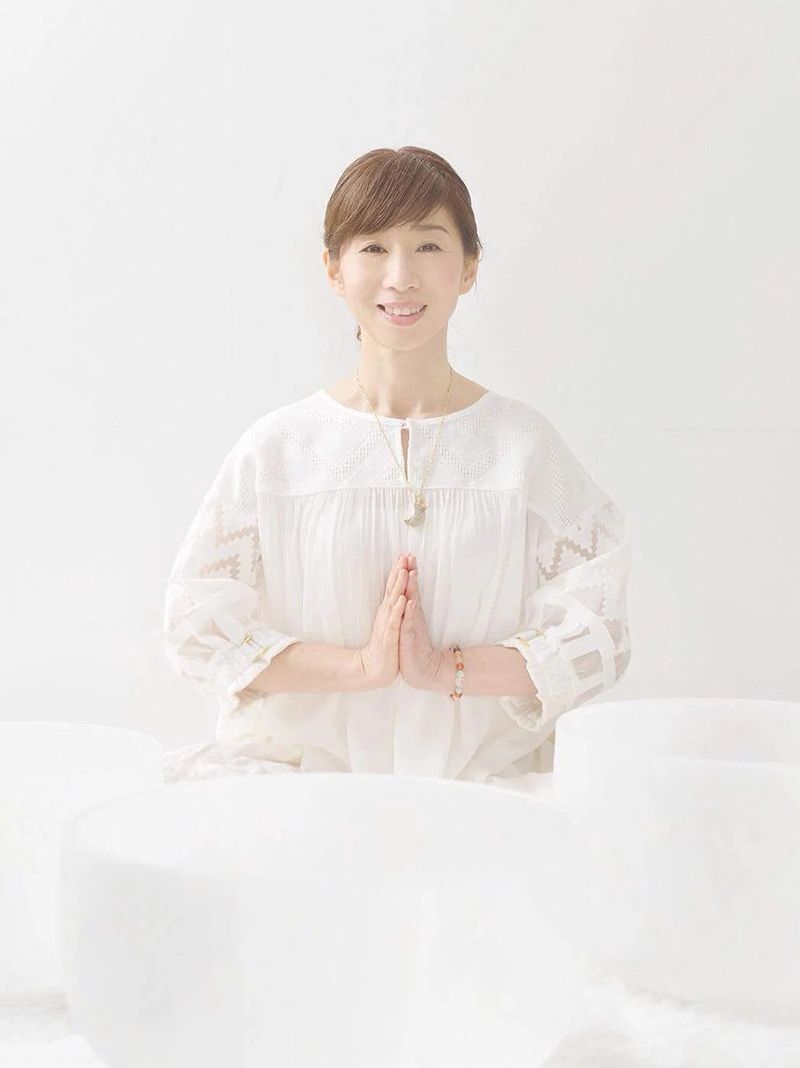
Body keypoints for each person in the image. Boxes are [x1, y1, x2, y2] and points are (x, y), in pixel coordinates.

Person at [161, 146, 632, 793]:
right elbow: (197, 627)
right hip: (302, 793)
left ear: (469, 266)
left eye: (429, 245)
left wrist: (445, 670)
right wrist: (360, 667)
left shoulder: (522, 448)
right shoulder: (279, 449)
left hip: (486, 796)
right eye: (374, 247)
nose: (401, 276)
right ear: (333, 269)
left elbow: (599, 629)